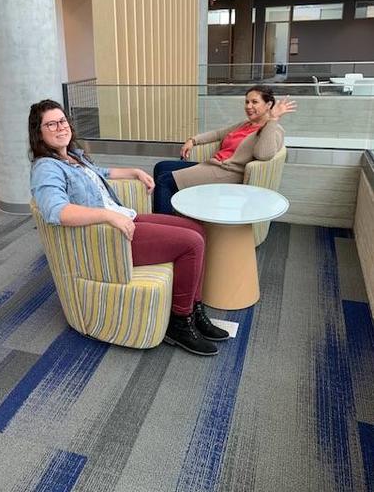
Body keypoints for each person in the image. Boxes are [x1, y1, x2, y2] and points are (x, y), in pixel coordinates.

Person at [29, 99, 229, 357]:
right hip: (107, 239)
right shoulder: (46, 168)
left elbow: (100, 172)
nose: (60, 127)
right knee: (192, 243)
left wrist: (134, 171)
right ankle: (180, 321)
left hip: (123, 218)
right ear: (39, 132)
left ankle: (195, 306)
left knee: (196, 229)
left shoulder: (73, 156)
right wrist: (107, 216)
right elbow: (56, 211)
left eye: (63, 121)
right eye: (51, 124)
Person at [153, 87, 296, 214]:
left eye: (254, 102)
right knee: (161, 167)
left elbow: (263, 154)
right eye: (246, 102)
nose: (248, 106)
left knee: (164, 181)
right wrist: (193, 140)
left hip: (227, 173)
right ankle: (174, 210)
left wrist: (273, 119)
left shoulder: (274, 130)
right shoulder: (246, 124)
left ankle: (163, 227)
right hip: (214, 165)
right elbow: (218, 133)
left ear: (268, 105)